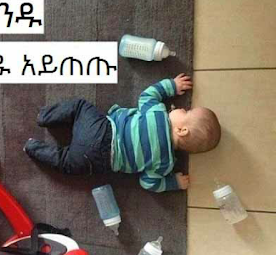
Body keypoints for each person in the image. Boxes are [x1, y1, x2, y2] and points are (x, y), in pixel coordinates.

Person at [24, 75, 221, 192]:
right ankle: (32, 148)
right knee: (66, 163)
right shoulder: (165, 164)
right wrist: (173, 183)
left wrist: (172, 85)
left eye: (186, 112)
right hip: (98, 161)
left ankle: (45, 116)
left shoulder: (158, 114)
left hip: (102, 130)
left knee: (79, 106)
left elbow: (148, 94)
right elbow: (148, 183)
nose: (181, 109)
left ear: (182, 130)